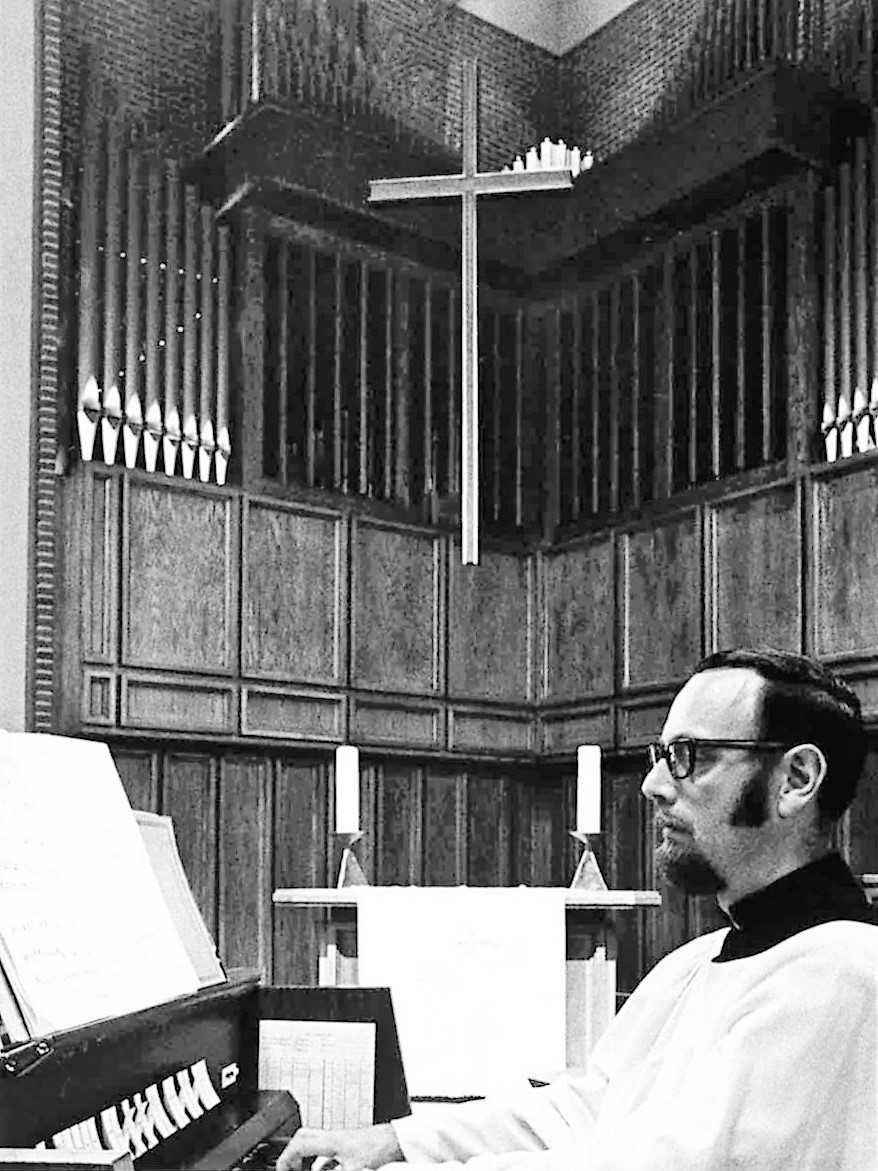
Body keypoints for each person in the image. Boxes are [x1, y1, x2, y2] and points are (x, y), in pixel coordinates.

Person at [276, 648, 878, 1171]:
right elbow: (584, 1111)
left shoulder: (844, 973)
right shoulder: (696, 963)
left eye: (690, 756)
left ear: (796, 778)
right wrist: (395, 1143)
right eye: (660, 754)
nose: (654, 785)